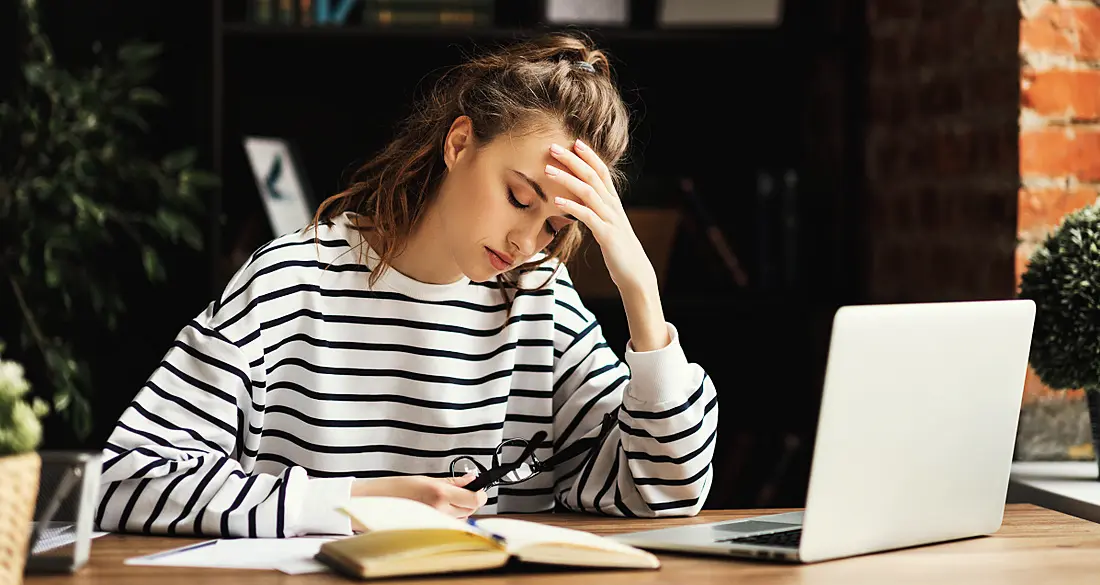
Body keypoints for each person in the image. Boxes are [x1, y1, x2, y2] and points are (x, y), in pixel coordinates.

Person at [94, 32, 718, 538]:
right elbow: (127, 480)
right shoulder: (292, 283)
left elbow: (665, 490)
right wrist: (353, 504)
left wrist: (643, 299)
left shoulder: (540, 302)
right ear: (460, 142)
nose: (528, 243)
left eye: (556, 225)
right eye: (518, 197)